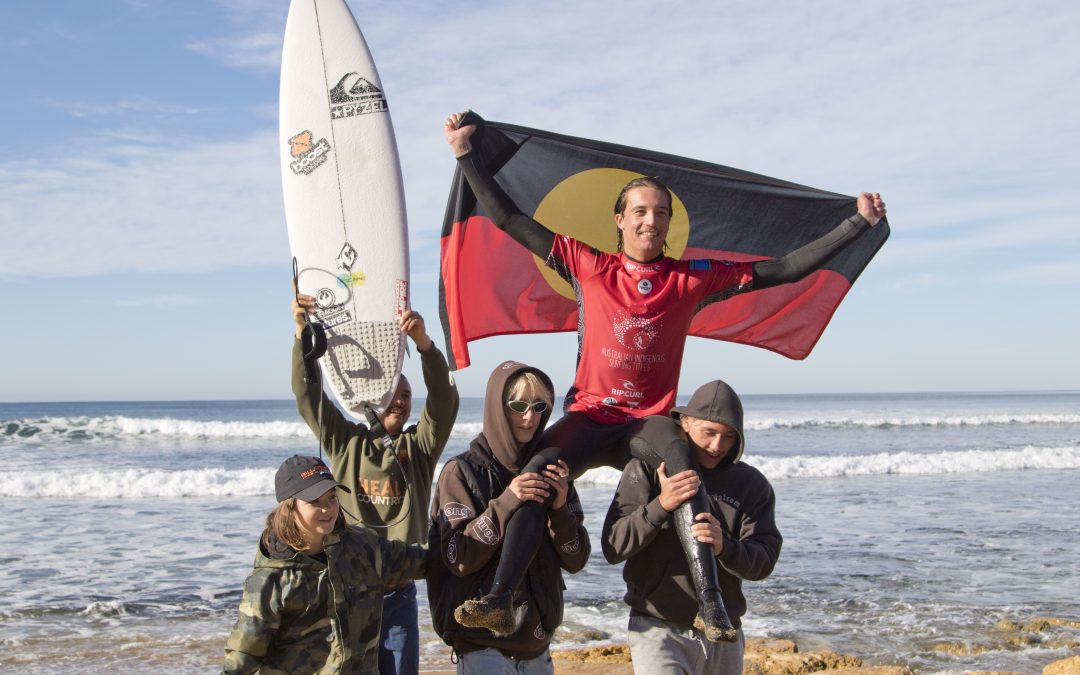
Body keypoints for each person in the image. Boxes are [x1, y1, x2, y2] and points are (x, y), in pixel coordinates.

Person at [443, 111, 882, 642]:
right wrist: (467, 155)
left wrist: (855, 225)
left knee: (682, 467)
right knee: (536, 477)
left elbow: (782, 269)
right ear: (620, 220)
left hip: (646, 423)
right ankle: (498, 598)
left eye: (661, 213)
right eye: (640, 212)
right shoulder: (588, 264)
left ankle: (712, 604)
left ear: (670, 223)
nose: (651, 221)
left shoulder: (691, 279)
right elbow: (511, 221)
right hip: (590, 416)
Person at [292, 290, 459, 675]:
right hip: (348, 594)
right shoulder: (345, 440)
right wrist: (302, 330)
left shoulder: (419, 448)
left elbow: (445, 401)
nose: (399, 401)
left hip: (399, 594)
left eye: (406, 395)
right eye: (392, 393)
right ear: (373, 394)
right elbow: (307, 395)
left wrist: (424, 345)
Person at [602, 380, 781, 674]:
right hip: (658, 628)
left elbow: (763, 562)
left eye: (728, 436)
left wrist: (726, 547)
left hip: (725, 633)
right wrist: (662, 504)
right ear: (685, 423)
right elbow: (614, 546)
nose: (717, 446)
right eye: (709, 433)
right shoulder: (647, 470)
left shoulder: (752, 485)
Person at [427, 360, 590, 673]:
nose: (530, 418)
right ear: (497, 406)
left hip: (539, 648)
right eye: (518, 405)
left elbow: (577, 560)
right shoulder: (461, 472)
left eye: (539, 406)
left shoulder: (552, 470)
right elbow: (458, 558)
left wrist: (559, 512)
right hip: (481, 649)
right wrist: (507, 502)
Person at [223, 455, 428, 674]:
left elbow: (424, 562)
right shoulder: (271, 579)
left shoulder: (364, 547)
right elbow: (245, 654)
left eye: (332, 497)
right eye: (314, 502)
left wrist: (462, 546)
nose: (328, 508)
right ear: (288, 507)